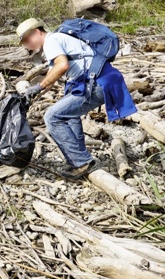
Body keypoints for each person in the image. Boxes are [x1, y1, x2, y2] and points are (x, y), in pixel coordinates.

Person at [16, 18, 136, 180]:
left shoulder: (52, 41)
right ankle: (80, 160)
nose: (26, 44)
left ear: (37, 32)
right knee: (69, 115)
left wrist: (38, 87)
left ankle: (82, 163)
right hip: (103, 80)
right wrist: (32, 96)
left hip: (97, 82)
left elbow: (62, 66)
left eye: (27, 39)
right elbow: (52, 77)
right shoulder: (57, 40)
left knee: (52, 116)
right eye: (23, 42)